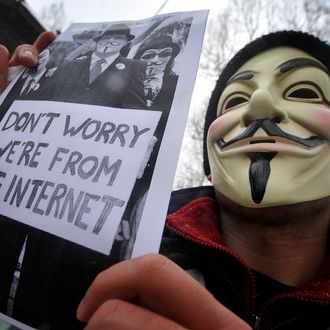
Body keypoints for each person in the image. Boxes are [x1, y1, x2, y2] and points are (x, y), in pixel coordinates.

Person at [1, 30, 330, 330]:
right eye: (236, 100)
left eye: (303, 91)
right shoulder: (117, 257)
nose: (259, 105)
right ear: (209, 165)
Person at [47, 23, 148, 109]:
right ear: (99, 41)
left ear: (125, 42)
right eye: (107, 37)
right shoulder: (69, 66)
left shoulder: (134, 67)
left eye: (119, 38)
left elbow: (135, 107)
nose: (111, 40)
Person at [134, 35, 180, 110]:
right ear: (139, 59)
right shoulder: (128, 81)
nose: (155, 60)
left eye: (164, 54)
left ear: (171, 57)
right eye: (149, 55)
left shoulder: (177, 83)